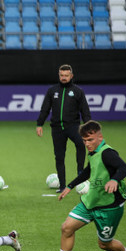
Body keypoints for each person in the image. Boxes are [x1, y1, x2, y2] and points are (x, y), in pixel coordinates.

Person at [42, 120, 126, 251]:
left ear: (100, 137)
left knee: (104, 244)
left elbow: (124, 168)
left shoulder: (107, 153)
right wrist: (69, 186)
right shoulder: (93, 153)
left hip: (109, 207)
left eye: (90, 140)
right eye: (84, 140)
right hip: (91, 202)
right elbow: (88, 171)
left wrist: (115, 180)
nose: (87, 144)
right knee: (67, 228)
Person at [36, 64, 91, 192]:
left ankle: (80, 173)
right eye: (61, 75)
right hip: (57, 129)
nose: (64, 78)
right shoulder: (52, 91)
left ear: (71, 76)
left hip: (73, 126)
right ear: (59, 76)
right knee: (59, 157)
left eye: (66, 75)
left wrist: (88, 127)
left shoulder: (78, 91)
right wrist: (39, 124)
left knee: (81, 145)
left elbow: (85, 111)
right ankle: (62, 186)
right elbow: (45, 108)